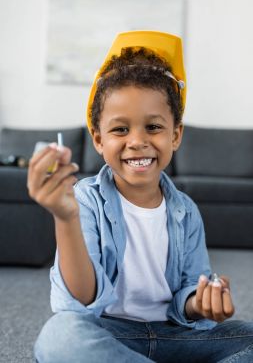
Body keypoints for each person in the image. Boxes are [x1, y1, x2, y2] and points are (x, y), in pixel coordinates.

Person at [28, 31, 253, 363]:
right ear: (98, 139)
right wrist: (66, 217)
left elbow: (188, 295)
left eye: (153, 127)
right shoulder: (84, 201)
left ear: (175, 135)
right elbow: (79, 301)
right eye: (120, 129)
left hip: (175, 338)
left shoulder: (186, 211)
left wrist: (202, 301)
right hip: (110, 334)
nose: (137, 141)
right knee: (60, 337)